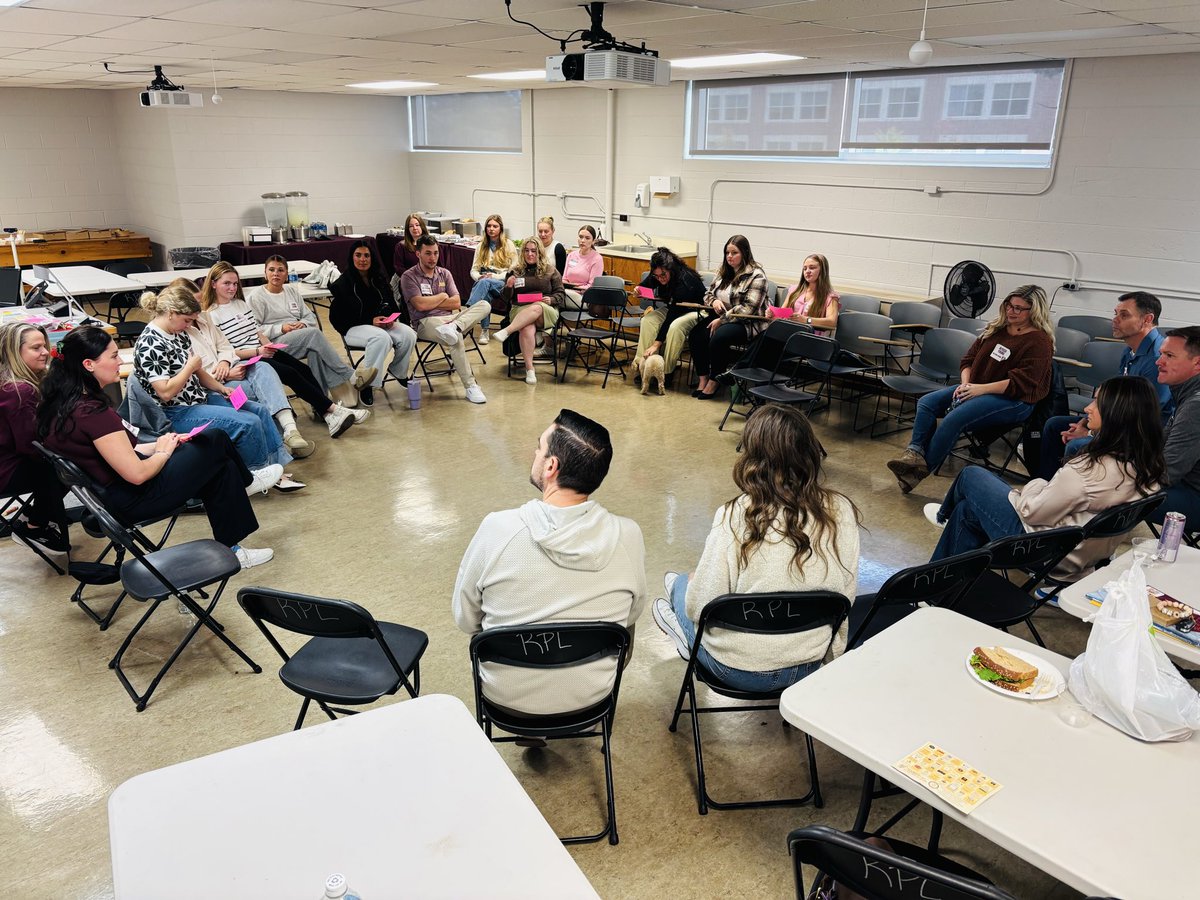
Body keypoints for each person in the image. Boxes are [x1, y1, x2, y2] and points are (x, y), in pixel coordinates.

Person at [453, 409, 647, 716]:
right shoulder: (629, 535)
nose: (535, 453)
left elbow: (465, 619)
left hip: (506, 698)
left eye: (539, 448)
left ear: (551, 466)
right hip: (591, 697)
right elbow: (632, 612)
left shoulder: (498, 529)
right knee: (626, 622)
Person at [652, 404, 860, 689]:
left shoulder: (736, 513)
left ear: (753, 457)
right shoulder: (841, 510)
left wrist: (694, 584)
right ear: (810, 451)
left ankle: (684, 639)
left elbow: (701, 607)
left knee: (680, 586)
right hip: (807, 666)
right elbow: (845, 594)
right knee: (692, 585)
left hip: (734, 669)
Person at [38, 326, 274, 569]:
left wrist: (163, 444)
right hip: (133, 498)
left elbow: (114, 454)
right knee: (215, 442)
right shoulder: (92, 413)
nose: (119, 361)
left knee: (217, 460)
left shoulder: (62, 403)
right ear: (89, 364)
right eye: (113, 356)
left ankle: (235, 539)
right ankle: (245, 491)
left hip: (109, 495)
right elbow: (137, 475)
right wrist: (163, 452)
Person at [926, 376, 1165, 578]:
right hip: (1082, 554)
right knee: (967, 511)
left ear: (1117, 414)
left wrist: (1036, 484)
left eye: (1097, 402)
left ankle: (943, 517)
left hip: (1041, 551)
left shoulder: (1088, 470)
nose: (1087, 408)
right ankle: (938, 584)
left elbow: (1031, 511)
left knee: (971, 475)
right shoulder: (1147, 468)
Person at [887, 285, 1055, 493]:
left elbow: (1023, 382)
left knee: (954, 418)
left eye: (1019, 308)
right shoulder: (997, 330)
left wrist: (979, 389)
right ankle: (913, 455)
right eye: (1009, 305)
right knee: (927, 403)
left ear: (1035, 311)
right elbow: (968, 360)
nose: (1012, 311)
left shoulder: (1039, 341)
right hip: (976, 387)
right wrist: (967, 385)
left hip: (1015, 399)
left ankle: (917, 472)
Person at [132, 285, 297, 490]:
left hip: (200, 397)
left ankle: (276, 468)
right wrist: (189, 368)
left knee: (259, 411)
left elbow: (198, 371)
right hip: (176, 411)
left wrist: (220, 388)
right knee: (247, 423)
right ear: (171, 314)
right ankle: (252, 477)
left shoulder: (176, 332)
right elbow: (165, 393)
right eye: (187, 320)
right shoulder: (151, 343)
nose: (189, 325)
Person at [182, 278, 363, 452]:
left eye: (235, 283)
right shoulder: (204, 320)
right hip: (226, 376)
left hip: (238, 366)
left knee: (293, 372)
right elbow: (203, 368)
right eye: (226, 283)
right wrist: (234, 367)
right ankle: (293, 432)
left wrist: (261, 347)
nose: (232, 287)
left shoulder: (207, 320)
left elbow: (225, 347)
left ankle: (314, 420)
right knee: (263, 393)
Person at [1037, 291, 1173, 480]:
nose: (1115, 320)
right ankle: (1047, 485)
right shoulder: (1130, 351)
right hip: (1116, 422)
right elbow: (1109, 399)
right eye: (1115, 313)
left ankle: (1067, 496)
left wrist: (1093, 432)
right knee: (1054, 425)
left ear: (1147, 319)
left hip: (1139, 434)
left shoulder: (1156, 360)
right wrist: (1083, 422)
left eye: (1124, 315)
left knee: (1077, 445)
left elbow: (1141, 417)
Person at [245, 255, 374, 407]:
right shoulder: (256, 296)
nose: (276, 274)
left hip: (299, 338)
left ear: (287, 273)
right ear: (265, 273)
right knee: (314, 335)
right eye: (271, 270)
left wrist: (303, 324)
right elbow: (254, 329)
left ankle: (320, 403)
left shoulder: (291, 291)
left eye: (280, 270)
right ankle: (351, 375)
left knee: (315, 351)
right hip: (275, 343)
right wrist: (281, 328)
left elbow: (309, 317)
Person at [0, 322, 67, 553]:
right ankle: (34, 526)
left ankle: (36, 514)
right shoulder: (19, 390)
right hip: (6, 470)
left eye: (45, 346)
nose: (45, 352)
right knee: (69, 467)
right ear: (15, 353)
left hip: (8, 459)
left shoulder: (11, 381)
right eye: (36, 348)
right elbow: (32, 446)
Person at [399, 234, 489, 404]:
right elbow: (420, 306)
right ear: (418, 254)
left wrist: (433, 302)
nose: (433, 258)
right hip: (426, 323)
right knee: (455, 339)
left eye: (435, 253)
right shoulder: (408, 276)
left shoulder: (444, 273)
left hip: (452, 318)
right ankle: (470, 386)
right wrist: (441, 296)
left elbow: (456, 302)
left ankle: (454, 327)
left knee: (484, 305)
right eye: (428, 253)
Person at [328, 240, 418, 406]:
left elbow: (390, 303)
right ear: (352, 258)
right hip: (352, 327)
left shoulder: (378, 278)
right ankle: (367, 384)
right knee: (381, 338)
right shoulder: (343, 284)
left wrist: (389, 318)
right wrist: (369, 320)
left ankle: (398, 371)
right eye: (358, 255)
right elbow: (337, 318)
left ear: (372, 258)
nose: (363, 259)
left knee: (409, 334)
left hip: (380, 325)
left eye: (367, 255)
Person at [687, 234, 770, 400]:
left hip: (747, 323)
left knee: (719, 337)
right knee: (696, 335)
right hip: (722, 317)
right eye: (727, 253)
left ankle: (715, 380)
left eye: (734, 253)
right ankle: (703, 377)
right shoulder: (724, 270)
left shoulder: (757, 275)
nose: (729, 256)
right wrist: (715, 301)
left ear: (745, 253)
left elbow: (749, 308)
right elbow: (707, 294)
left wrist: (723, 319)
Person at [492, 238, 566, 385]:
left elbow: (561, 294)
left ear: (539, 252)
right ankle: (529, 370)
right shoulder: (515, 271)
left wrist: (551, 300)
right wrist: (508, 286)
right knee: (526, 328)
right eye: (526, 251)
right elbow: (506, 298)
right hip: (520, 310)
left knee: (537, 307)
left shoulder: (550, 270)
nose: (530, 254)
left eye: (533, 251)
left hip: (545, 310)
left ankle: (508, 330)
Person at [1148, 326, 1200, 526]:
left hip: (1193, 495)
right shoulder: (1186, 395)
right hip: (1185, 485)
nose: (1158, 361)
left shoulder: (1195, 405)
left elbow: (1167, 472)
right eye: (1161, 354)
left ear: (1197, 363)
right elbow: (1159, 445)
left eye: (1169, 355)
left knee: (1108, 495)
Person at [634, 247, 706, 380]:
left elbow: (672, 316)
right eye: (656, 275)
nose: (660, 279)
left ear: (671, 270)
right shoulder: (658, 272)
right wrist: (639, 289)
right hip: (675, 307)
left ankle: (665, 371)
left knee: (675, 327)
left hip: (696, 310)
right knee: (648, 320)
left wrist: (657, 344)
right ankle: (643, 365)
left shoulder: (685, 280)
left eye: (663, 275)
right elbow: (646, 284)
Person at [465, 214, 516, 344]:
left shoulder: (508, 244)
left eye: (495, 226)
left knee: (484, 283)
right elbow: (473, 270)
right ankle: (484, 330)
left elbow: (513, 271)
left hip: (503, 284)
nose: (491, 229)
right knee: (485, 291)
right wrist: (479, 277)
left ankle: (468, 315)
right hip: (485, 282)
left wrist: (493, 276)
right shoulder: (481, 246)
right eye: (489, 226)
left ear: (501, 228)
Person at [782, 253, 840, 335]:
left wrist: (806, 320)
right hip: (788, 333)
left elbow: (832, 322)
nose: (807, 271)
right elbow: (782, 313)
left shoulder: (830, 297)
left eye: (812, 268)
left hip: (810, 338)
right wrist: (772, 314)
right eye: (805, 269)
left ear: (822, 270)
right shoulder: (794, 290)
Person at [561, 225, 604, 311]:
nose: (582, 241)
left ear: (593, 241)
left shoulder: (597, 258)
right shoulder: (571, 255)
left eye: (587, 238)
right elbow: (564, 279)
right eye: (581, 237)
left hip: (584, 296)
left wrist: (575, 289)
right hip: (567, 292)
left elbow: (592, 286)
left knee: (555, 299)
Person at [392, 212, 430, 277]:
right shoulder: (401, 246)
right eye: (411, 226)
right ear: (408, 229)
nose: (414, 228)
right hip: (409, 280)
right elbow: (399, 268)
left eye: (417, 225)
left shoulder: (430, 244)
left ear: (422, 227)